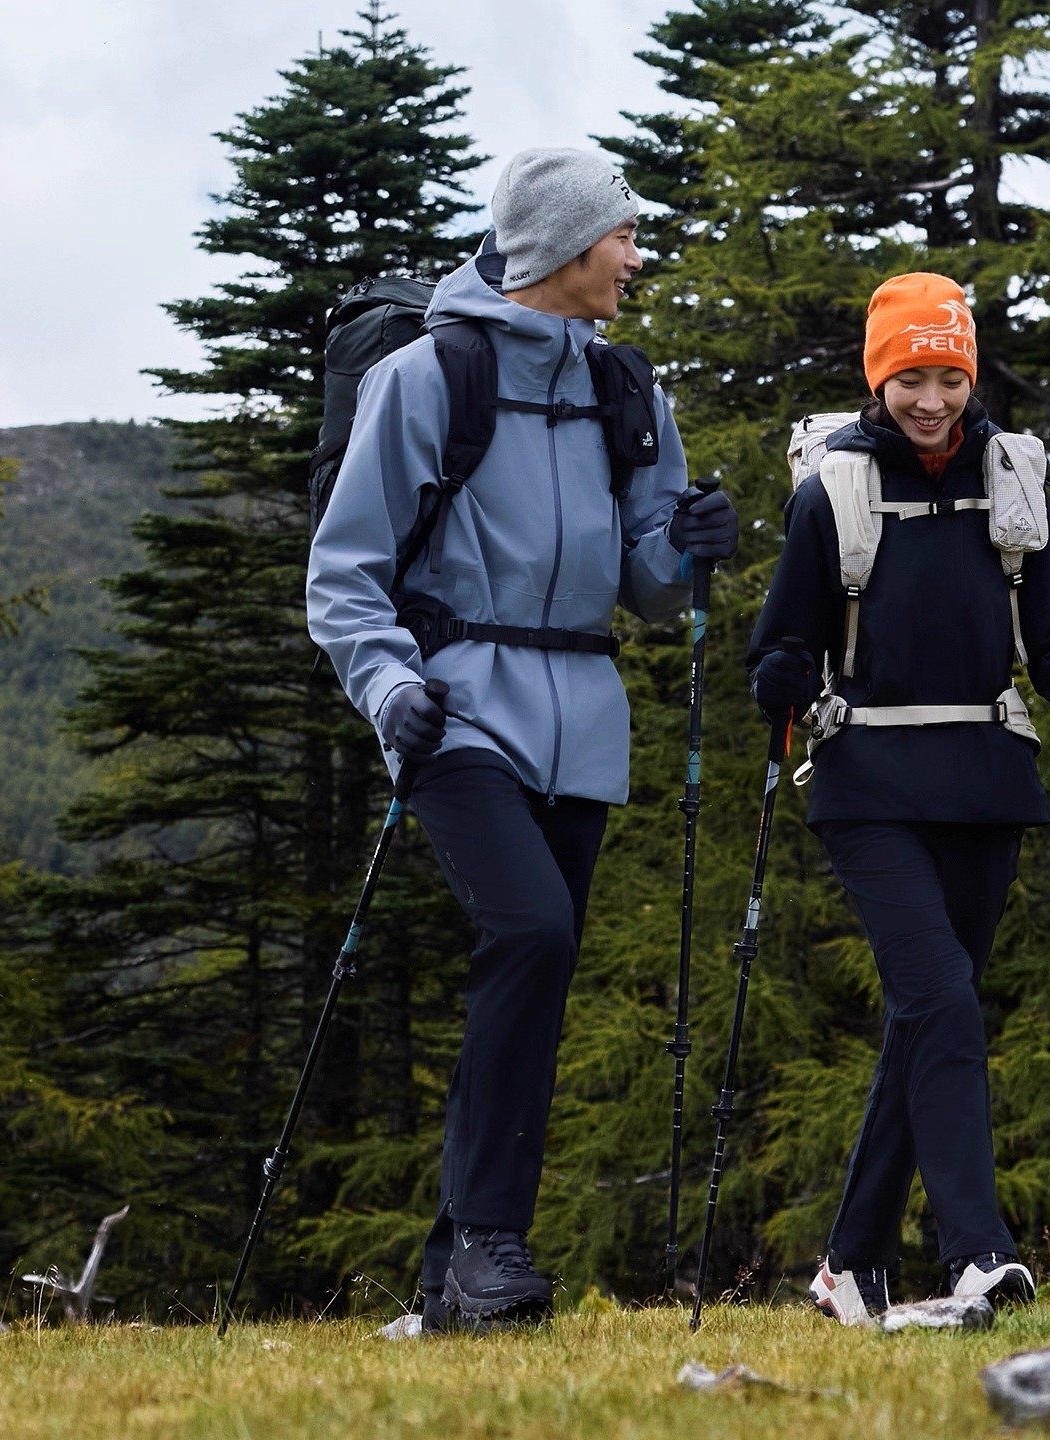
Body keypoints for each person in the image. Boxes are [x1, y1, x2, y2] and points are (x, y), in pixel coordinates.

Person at [307, 147, 738, 1332]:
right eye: (623, 236)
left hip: (583, 725)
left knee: (534, 975)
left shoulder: (627, 387)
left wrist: (689, 544)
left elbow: (649, 585)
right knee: (532, 931)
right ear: (560, 246)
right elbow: (344, 573)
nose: (636, 257)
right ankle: (492, 1245)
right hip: (451, 712)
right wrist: (388, 687)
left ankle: (455, 1276)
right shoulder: (426, 379)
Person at [745, 272, 1050, 1323]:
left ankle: (849, 1265)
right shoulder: (832, 492)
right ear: (878, 381)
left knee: (926, 1017)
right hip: (867, 784)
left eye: (949, 379)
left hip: (984, 783)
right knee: (941, 1001)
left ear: (971, 377)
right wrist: (778, 677)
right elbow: (782, 642)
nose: (931, 401)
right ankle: (979, 1253)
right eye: (910, 380)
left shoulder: (1014, 482)